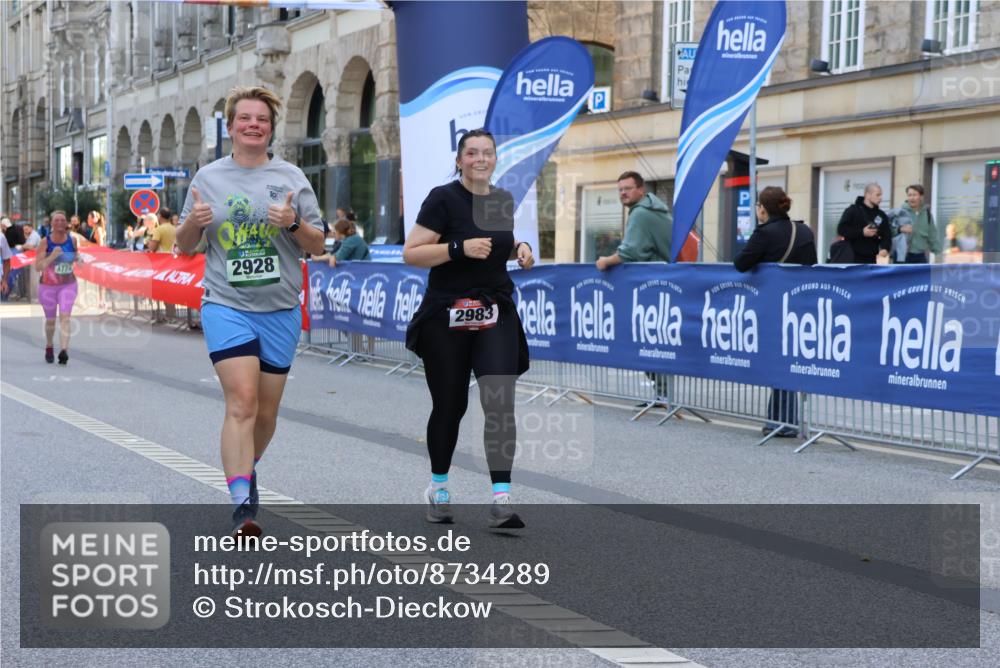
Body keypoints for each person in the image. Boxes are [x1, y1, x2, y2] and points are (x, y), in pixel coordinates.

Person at [175, 85, 324, 537]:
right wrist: (191, 224)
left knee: (265, 413)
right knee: (241, 401)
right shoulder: (208, 178)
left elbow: (317, 245)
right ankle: (242, 503)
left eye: (261, 118)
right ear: (232, 125)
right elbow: (184, 248)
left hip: (279, 307)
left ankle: (247, 465)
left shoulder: (293, 177)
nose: (253, 125)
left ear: (271, 127)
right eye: (245, 118)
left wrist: (293, 223)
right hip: (226, 304)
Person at [404, 128, 535, 530]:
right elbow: (413, 253)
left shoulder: (501, 198)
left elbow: (497, 244)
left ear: (496, 159)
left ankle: (501, 499)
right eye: (472, 153)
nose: (481, 159)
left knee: (499, 401)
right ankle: (439, 489)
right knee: (450, 404)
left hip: (494, 308)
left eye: (488, 153)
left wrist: (520, 248)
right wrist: (457, 249)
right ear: (459, 160)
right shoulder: (442, 199)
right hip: (448, 313)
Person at [734, 187, 817, 438]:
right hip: (800, 305)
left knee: (778, 362)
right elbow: (811, 265)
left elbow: (740, 264)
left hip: (771, 306)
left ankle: (783, 422)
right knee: (791, 361)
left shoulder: (765, 233)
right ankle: (781, 420)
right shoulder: (804, 231)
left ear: (762, 208)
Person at [596, 171, 673, 404]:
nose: (623, 193)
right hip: (661, 284)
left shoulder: (641, 213)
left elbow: (631, 251)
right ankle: (661, 392)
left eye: (627, 188)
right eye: (620, 189)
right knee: (651, 339)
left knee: (647, 339)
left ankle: (663, 393)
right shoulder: (651, 209)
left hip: (653, 287)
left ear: (641, 190)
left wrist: (605, 261)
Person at [34, 211, 80, 365]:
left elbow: (75, 257)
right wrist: (52, 256)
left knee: (65, 317)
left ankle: (64, 351)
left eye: (63, 220)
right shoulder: (44, 242)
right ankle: (49, 345)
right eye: (57, 220)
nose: (60, 223)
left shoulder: (72, 240)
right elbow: (38, 266)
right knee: (51, 321)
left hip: (68, 284)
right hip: (47, 286)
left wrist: (79, 259)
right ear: (52, 224)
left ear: (66, 223)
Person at [836, 183, 891, 264]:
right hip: (852, 257)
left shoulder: (881, 215)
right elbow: (841, 229)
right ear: (868, 195)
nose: (880, 198)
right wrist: (862, 232)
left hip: (873, 259)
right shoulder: (852, 210)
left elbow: (887, 235)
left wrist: (885, 248)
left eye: (881, 195)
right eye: (878, 195)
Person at [897, 184, 941, 264]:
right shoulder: (900, 212)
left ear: (921, 197)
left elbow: (932, 236)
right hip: (902, 256)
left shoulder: (927, 214)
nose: (911, 198)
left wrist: (938, 254)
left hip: (920, 257)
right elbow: (890, 231)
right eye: (909, 195)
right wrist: (900, 229)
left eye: (914, 195)